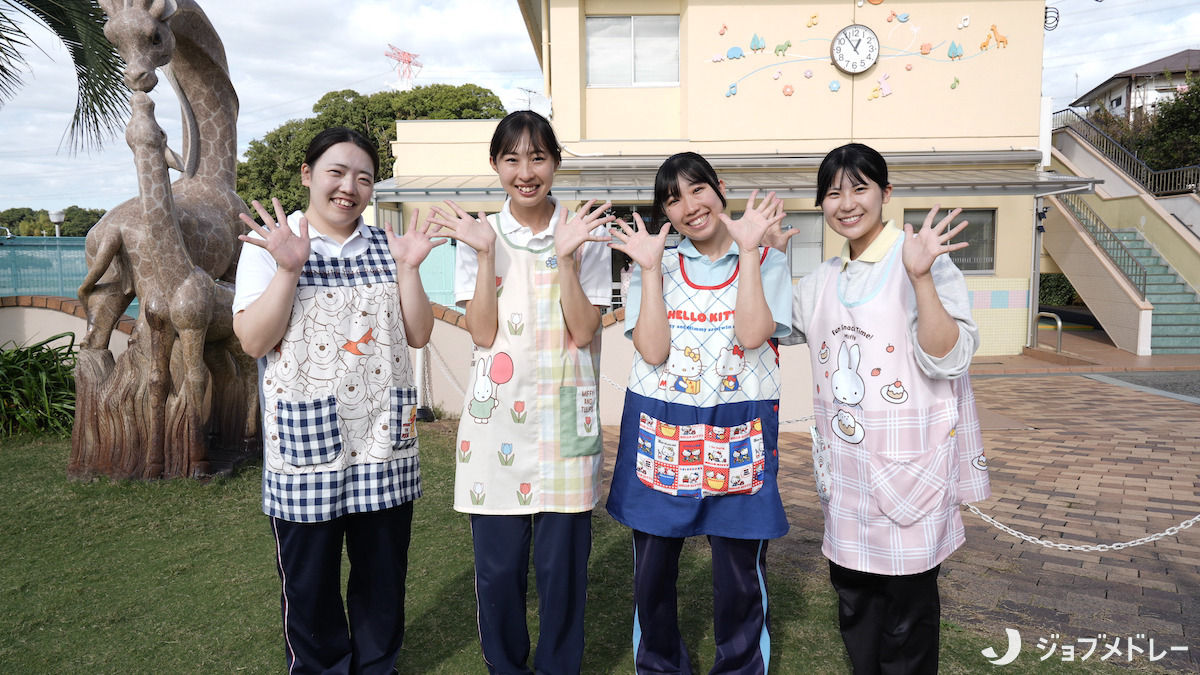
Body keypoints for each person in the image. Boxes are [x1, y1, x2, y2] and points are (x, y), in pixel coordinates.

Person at [232, 127, 441, 674]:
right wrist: (288, 268)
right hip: (306, 447)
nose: (350, 187)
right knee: (310, 589)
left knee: (382, 583)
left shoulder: (390, 247)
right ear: (308, 175)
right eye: (337, 172)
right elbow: (253, 341)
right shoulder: (272, 245)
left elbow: (419, 334)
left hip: (384, 441)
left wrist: (410, 269)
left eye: (364, 178)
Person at [777, 142, 991, 674]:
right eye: (833, 193)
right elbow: (770, 330)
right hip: (848, 475)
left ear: (886, 193)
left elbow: (949, 357)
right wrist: (767, 258)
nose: (847, 203)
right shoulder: (822, 279)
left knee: (907, 616)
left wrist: (920, 278)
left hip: (910, 470)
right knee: (855, 604)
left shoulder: (922, 261)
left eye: (860, 188)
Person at [426, 110, 614, 675]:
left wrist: (567, 258)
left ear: (555, 163)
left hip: (564, 422)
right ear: (495, 164)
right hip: (496, 425)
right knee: (499, 571)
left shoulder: (584, 231)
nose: (525, 172)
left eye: (537, 157)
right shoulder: (479, 235)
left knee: (563, 573)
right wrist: (485, 255)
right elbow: (483, 333)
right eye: (512, 159)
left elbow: (584, 330)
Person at [606, 151, 792, 674]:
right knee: (652, 573)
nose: (689, 206)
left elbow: (752, 335)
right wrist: (648, 270)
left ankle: (740, 667)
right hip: (663, 432)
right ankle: (660, 665)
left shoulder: (767, 259)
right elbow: (652, 350)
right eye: (673, 199)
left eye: (697, 189)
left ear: (719, 188)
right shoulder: (656, 262)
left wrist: (750, 251)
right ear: (665, 213)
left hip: (739, 431)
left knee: (738, 576)